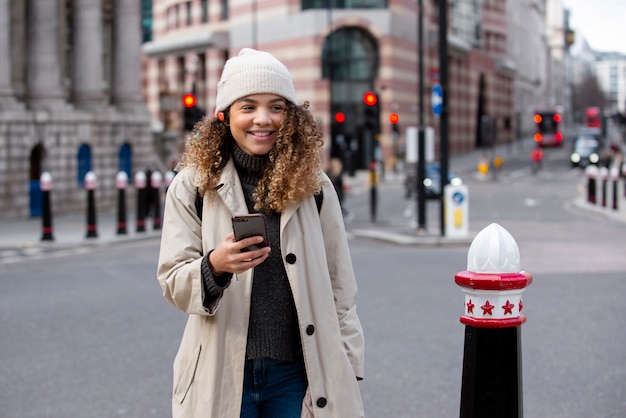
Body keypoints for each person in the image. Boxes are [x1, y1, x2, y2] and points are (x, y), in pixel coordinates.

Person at [157, 48, 365, 418]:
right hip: (221, 372)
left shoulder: (315, 188)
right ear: (225, 116)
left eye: (276, 107)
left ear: (292, 117)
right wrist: (214, 267)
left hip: (296, 376)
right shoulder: (191, 186)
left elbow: (340, 287)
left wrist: (346, 362)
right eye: (248, 106)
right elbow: (172, 281)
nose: (263, 119)